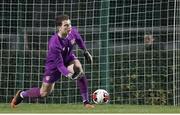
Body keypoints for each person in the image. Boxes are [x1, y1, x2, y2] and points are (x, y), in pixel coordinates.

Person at [10, 15, 95, 109]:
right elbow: (60, 65)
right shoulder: (54, 43)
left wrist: (85, 51)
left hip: (68, 58)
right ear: (59, 28)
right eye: (66, 25)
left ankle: (86, 102)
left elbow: (79, 39)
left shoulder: (72, 32)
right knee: (44, 93)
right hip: (53, 67)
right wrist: (69, 75)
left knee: (78, 68)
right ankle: (22, 94)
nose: (69, 27)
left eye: (70, 24)